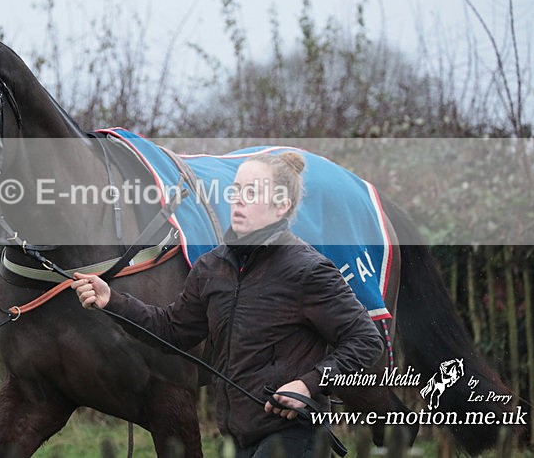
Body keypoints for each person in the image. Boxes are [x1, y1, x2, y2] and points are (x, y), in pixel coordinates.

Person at [71, 152, 383, 457]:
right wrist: (112, 300)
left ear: (281, 207)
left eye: (252, 192)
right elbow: (171, 329)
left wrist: (308, 384)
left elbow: (366, 340)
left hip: (294, 435)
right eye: (235, 191)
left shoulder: (308, 270)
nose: (238, 199)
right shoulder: (211, 267)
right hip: (238, 437)